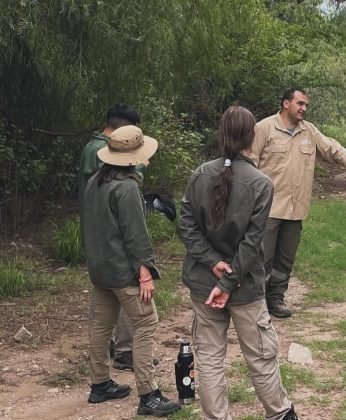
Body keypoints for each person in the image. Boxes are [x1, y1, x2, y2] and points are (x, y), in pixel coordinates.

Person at [179, 106, 298, 420]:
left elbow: (186, 225)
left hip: (205, 284)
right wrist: (229, 281)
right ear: (252, 136)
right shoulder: (261, 184)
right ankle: (281, 414)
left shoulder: (200, 173)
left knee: (209, 358)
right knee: (260, 356)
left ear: (221, 135)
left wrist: (213, 263)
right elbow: (252, 242)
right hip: (243, 289)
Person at [81, 125, 181, 416]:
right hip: (122, 271)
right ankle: (148, 394)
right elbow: (135, 234)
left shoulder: (95, 181)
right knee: (146, 322)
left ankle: (99, 384)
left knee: (101, 326)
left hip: (100, 268)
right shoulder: (127, 187)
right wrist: (145, 272)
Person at [250, 88, 346, 318]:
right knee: (262, 259)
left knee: (285, 260)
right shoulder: (264, 128)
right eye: (300, 103)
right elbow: (249, 164)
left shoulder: (309, 131)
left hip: (296, 209)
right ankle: (257, 303)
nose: (304, 108)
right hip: (268, 208)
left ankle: (275, 299)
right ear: (286, 103)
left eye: (306, 104)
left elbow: (331, 148)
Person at [77, 103, 145, 371]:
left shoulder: (90, 147)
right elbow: (117, 188)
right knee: (129, 291)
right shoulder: (100, 151)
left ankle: (107, 363)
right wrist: (140, 168)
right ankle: (128, 354)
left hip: (97, 234)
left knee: (104, 297)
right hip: (111, 236)